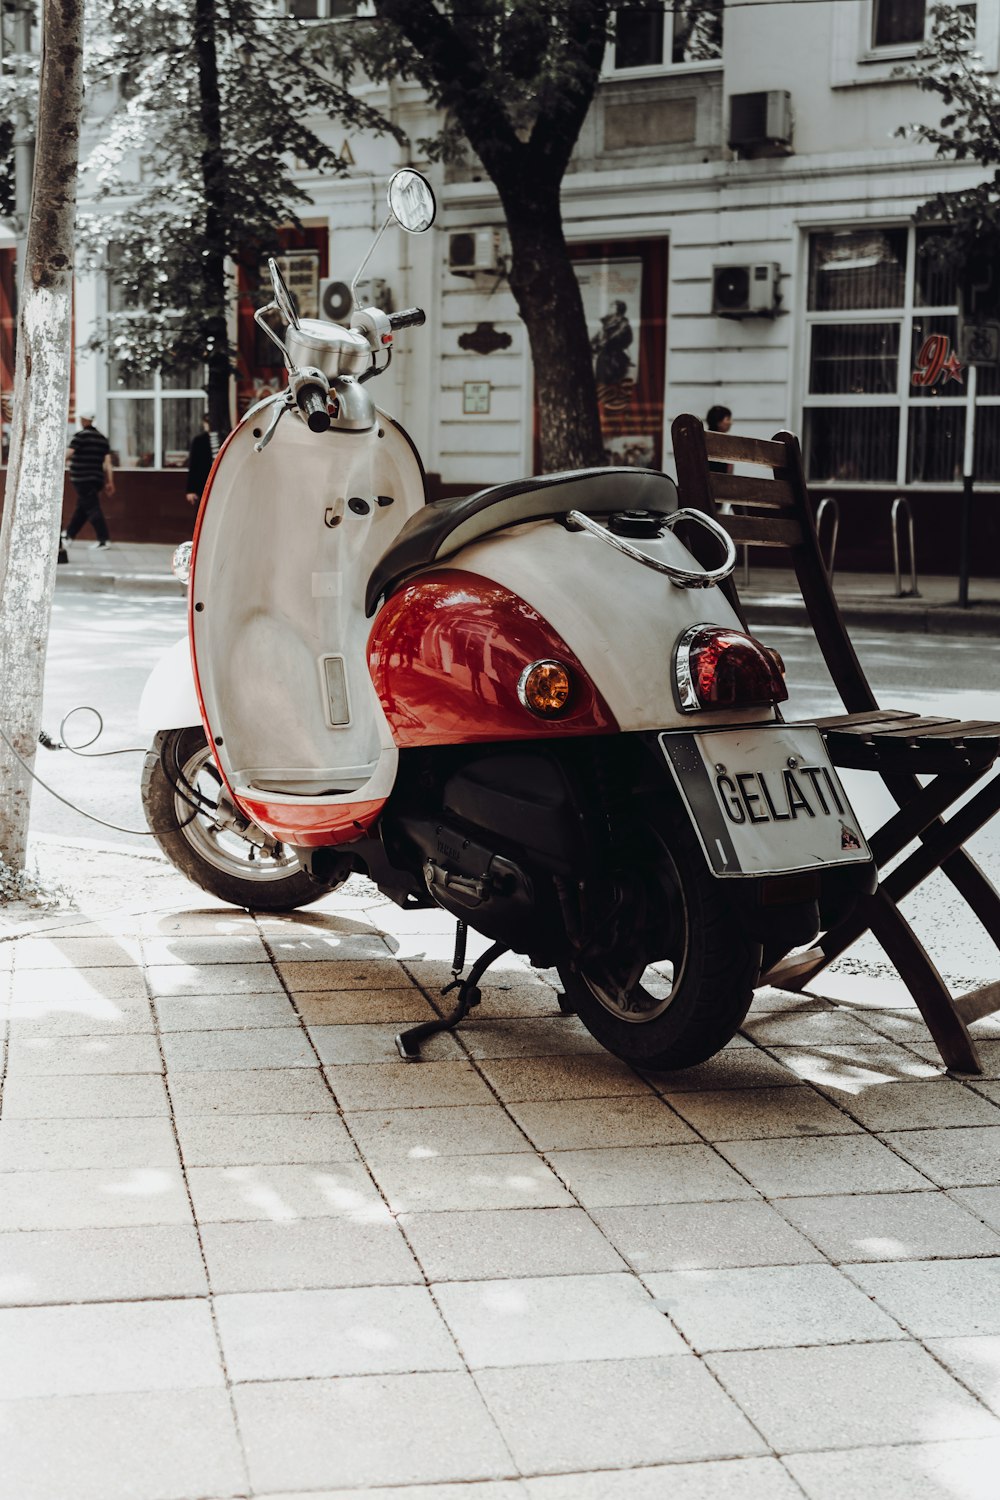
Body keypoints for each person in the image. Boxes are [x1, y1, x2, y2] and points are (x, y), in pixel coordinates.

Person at [64, 413, 114, 548]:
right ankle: (68, 535)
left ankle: (103, 540)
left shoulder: (80, 436)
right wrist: (110, 482)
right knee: (83, 508)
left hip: (82, 478)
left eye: (81, 419)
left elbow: (68, 454)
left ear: (84, 420)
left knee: (92, 508)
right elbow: (108, 463)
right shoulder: (102, 438)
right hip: (97, 479)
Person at [591, 300, 634, 385]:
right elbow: (596, 338)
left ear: (620, 310)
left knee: (614, 383)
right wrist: (591, 345)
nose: (610, 309)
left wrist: (603, 343)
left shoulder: (624, 325)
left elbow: (622, 338)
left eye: (613, 307)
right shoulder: (606, 324)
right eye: (610, 306)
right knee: (601, 383)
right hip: (604, 357)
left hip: (615, 358)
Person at [186, 416, 223, 506]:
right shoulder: (199, 441)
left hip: (221, 483)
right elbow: (193, 465)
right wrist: (191, 489)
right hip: (203, 484)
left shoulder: (223, 437)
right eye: (207, 422)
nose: (209, 425)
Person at [706, 404, 733, 474]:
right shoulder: (723, 443)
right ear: (719, 422)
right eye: (728, 419)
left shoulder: (703, 439)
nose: (731, 423)